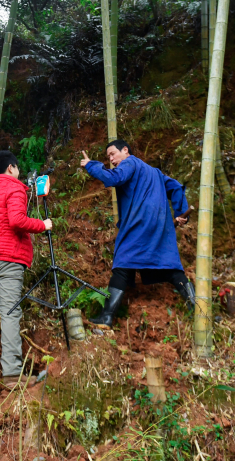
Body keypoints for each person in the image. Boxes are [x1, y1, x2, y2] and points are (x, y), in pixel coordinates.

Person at [80, 139, 194, 328]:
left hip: (139, 222)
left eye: (112, 154)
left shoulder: (130, 163)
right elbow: (174, 187)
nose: (111, 159)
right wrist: (181, 213)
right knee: (172, 268)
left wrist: (91, 165)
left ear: (125, 150)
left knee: (123, 263)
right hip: (160, 226)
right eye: (108, 157)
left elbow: (113, 178)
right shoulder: (155, 172)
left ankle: (107, 317)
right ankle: (199, 311)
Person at [0, 150, 53, 388]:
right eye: (17, 168)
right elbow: (17, 220)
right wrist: (42, 225)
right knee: (10, 313)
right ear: (11, 169)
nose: (18, 173)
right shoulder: (14, 188)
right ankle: (12, 375)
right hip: (6, 260)